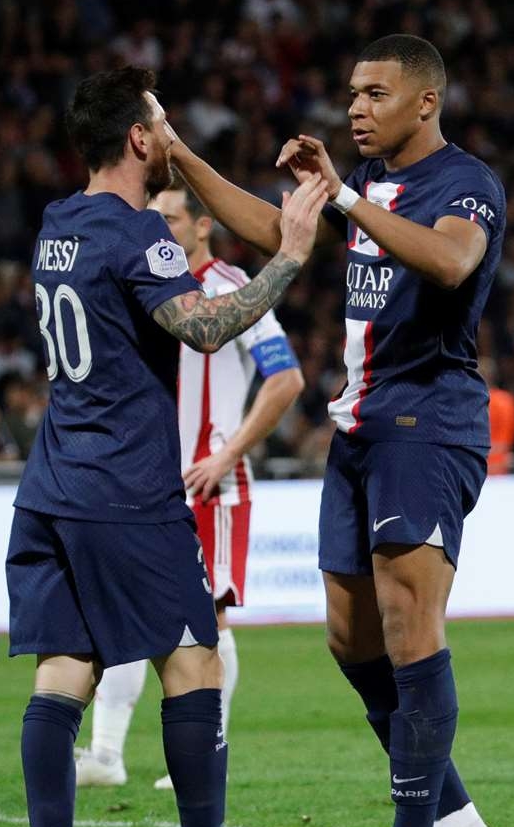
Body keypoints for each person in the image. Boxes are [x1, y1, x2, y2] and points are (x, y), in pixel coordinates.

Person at [169, 34, 500, 827]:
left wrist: (347, 200)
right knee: (351, 639)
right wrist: (179, 154)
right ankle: (454, 815)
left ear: (426, 102)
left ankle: (418, 819)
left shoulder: (466, 184)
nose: (355, 106)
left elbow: (452, 263)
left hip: (428, 420)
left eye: (376, 93)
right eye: (353, 92)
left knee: (408, 625)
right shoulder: (364, 181)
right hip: (357, 429)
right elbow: (274, 229)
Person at [4, 66, 321, 827]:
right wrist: (292, 256)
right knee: (193, 657)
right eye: (161, 122)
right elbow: (203, 326)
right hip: (126, 485)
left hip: (50, 483)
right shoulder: (139, 231)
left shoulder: (56, 223)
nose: (171, 133)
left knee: (64, 670)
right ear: (140, 136)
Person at [75, 179, 305, 790]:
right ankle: (105, 755)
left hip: (211, 485)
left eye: (171, 220)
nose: (159, 230)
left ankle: (204, 756)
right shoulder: (148, 285)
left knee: (210, 620)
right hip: (146, 481)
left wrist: (226, 454)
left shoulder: (231, 289)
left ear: (204, 226)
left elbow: (286, 380)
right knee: (124, 616)